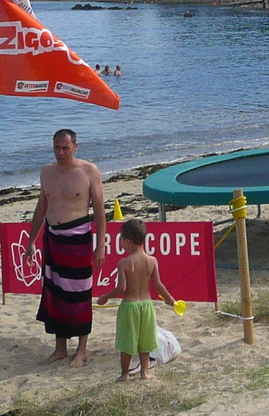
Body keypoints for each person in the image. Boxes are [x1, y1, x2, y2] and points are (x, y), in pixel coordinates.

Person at [26, 129, 107, 367]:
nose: (61, 152)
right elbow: (42, 206)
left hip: (79, 237)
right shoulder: (47, 172)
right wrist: (31, 240)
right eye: (57, 148)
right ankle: (60, 347)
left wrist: (100, 245)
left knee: (79, 294)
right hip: (52, 238)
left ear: (75, 147)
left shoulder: (89, 171)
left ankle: (81, 349)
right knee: (54, 294)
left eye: (65, 148)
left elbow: (100, 211)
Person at [98, 219, 175, 382]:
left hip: (130, 306)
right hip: (147, 306)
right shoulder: (152, 261)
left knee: (127, 341)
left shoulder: (124, 263)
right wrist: (170, 299)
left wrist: (105, 297)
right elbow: (158, 285)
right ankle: (145, 372)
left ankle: (125, 374)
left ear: (127, 241)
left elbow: (121, 289)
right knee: (145, 340)